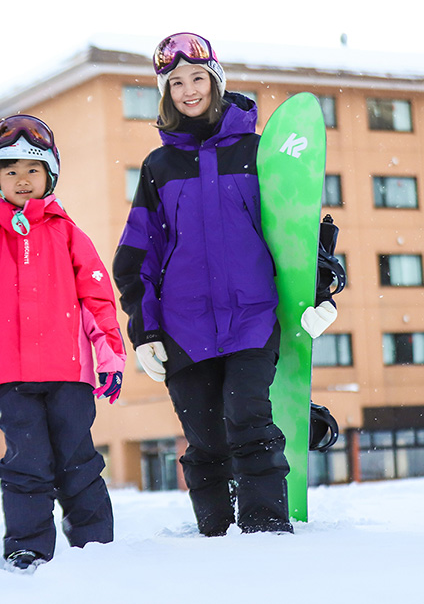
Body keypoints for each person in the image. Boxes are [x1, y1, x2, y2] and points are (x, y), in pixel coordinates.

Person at [113, 33, 337, 536]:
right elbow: (136, 256)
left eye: (197, 78)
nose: (188, 90)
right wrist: (145, 331)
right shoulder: (158, 167)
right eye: (176, 83)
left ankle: (266, 532)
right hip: (184, 327)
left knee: (250, 421)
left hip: (253, 318)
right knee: (206, 440)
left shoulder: (258, 154)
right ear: (165, 93)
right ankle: (215, 538)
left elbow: (296, 233)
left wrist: (319, 291)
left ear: (215, 81)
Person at [0, 114, 126, 570]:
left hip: (70, 375)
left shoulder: (68, 233)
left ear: (49, 175)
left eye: (32, 169)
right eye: (10, 171)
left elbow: (97, 300)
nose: (22, 179)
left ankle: (94, 544)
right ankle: (28, 545)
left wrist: (109, 358)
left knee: (76, 461)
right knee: (26, 464)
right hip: (12, 378)